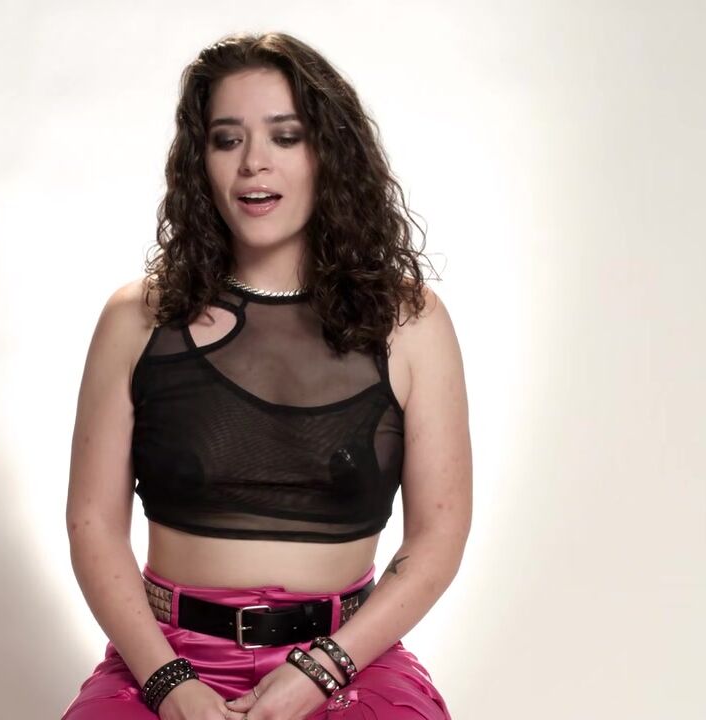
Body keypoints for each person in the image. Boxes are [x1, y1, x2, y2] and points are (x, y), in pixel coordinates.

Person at [62, 31, 471, 720]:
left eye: (285, 136)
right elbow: (92, 524)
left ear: (328, 153)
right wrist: (169, 685)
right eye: (227, 139)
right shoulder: (136, 320)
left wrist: (320, 671)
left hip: (349, 660)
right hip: (164, 660)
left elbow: (438, 537)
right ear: (200, 161)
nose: (254, 162)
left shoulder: (409, 324)